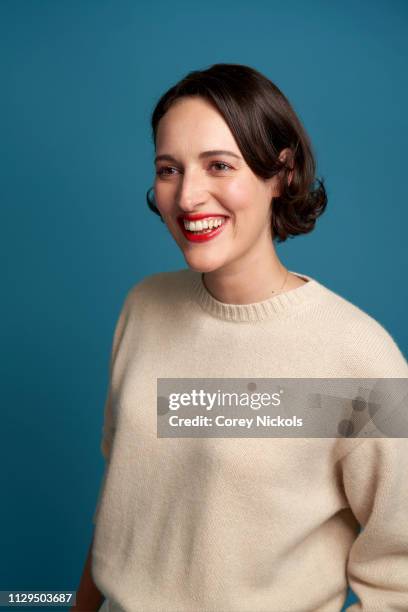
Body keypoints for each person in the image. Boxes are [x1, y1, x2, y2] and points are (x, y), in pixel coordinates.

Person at [73, 63, 408, 611]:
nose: (187, 198)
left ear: (282, 173)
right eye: (168, 169)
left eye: (218, 165)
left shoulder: (360, 357)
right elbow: (121, 509)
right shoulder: (143, 307)